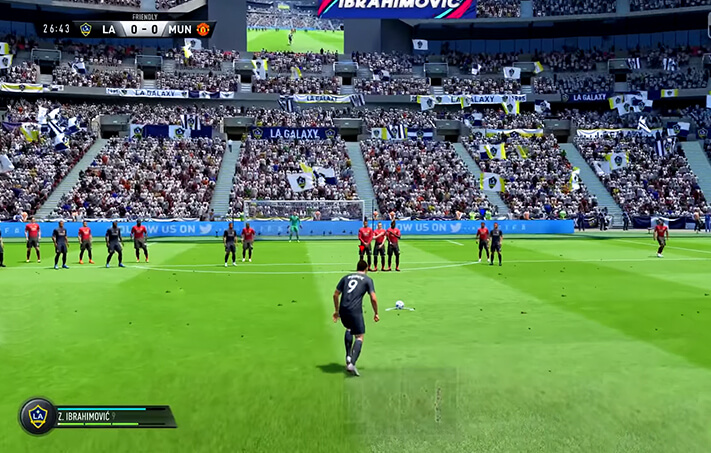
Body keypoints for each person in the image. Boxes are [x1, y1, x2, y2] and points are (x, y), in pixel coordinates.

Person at [332, 260, 379, 377]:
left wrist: (337, 311)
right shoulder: (367, 280)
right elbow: (373, 298)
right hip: (355, 311)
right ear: (366, 269)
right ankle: (352, 363)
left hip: (343, 309)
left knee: (349, 328)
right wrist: (376, 313)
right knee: (359, 336)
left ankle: (348, 355)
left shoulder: (346, 277)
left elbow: (335, 294)